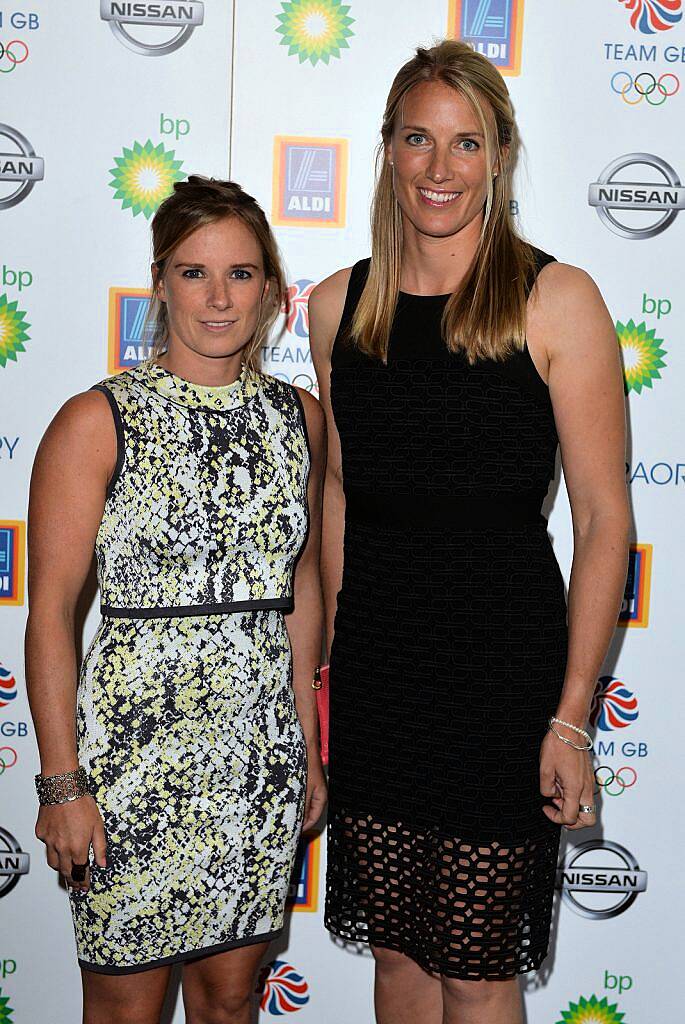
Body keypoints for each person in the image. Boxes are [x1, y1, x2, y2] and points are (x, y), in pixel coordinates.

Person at [309, 41, 629, 1024]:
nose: (438, 168)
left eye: (464, 143)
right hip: (376, 676)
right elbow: (335, 497)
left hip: (502, 681)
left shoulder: (555, 300)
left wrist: (572, 713)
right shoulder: (336, 307)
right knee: (398, 962)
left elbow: (605, 517)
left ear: (498, 156)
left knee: (479, 972)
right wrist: (318, 676)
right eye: (418, 139)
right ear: (388, 149)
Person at [25, 176, 327, 1024]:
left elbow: (298, 588)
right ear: (160, 283)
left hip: (254, 758)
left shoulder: (299, 419)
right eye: (194, 273)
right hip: (130, 771)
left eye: (241, 273)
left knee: (231, 1004)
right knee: (123, 1011)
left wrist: (303, 743)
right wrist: (61, 786)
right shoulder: (96, 420)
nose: (219, 297)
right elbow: (49, 614)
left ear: (272, 289)